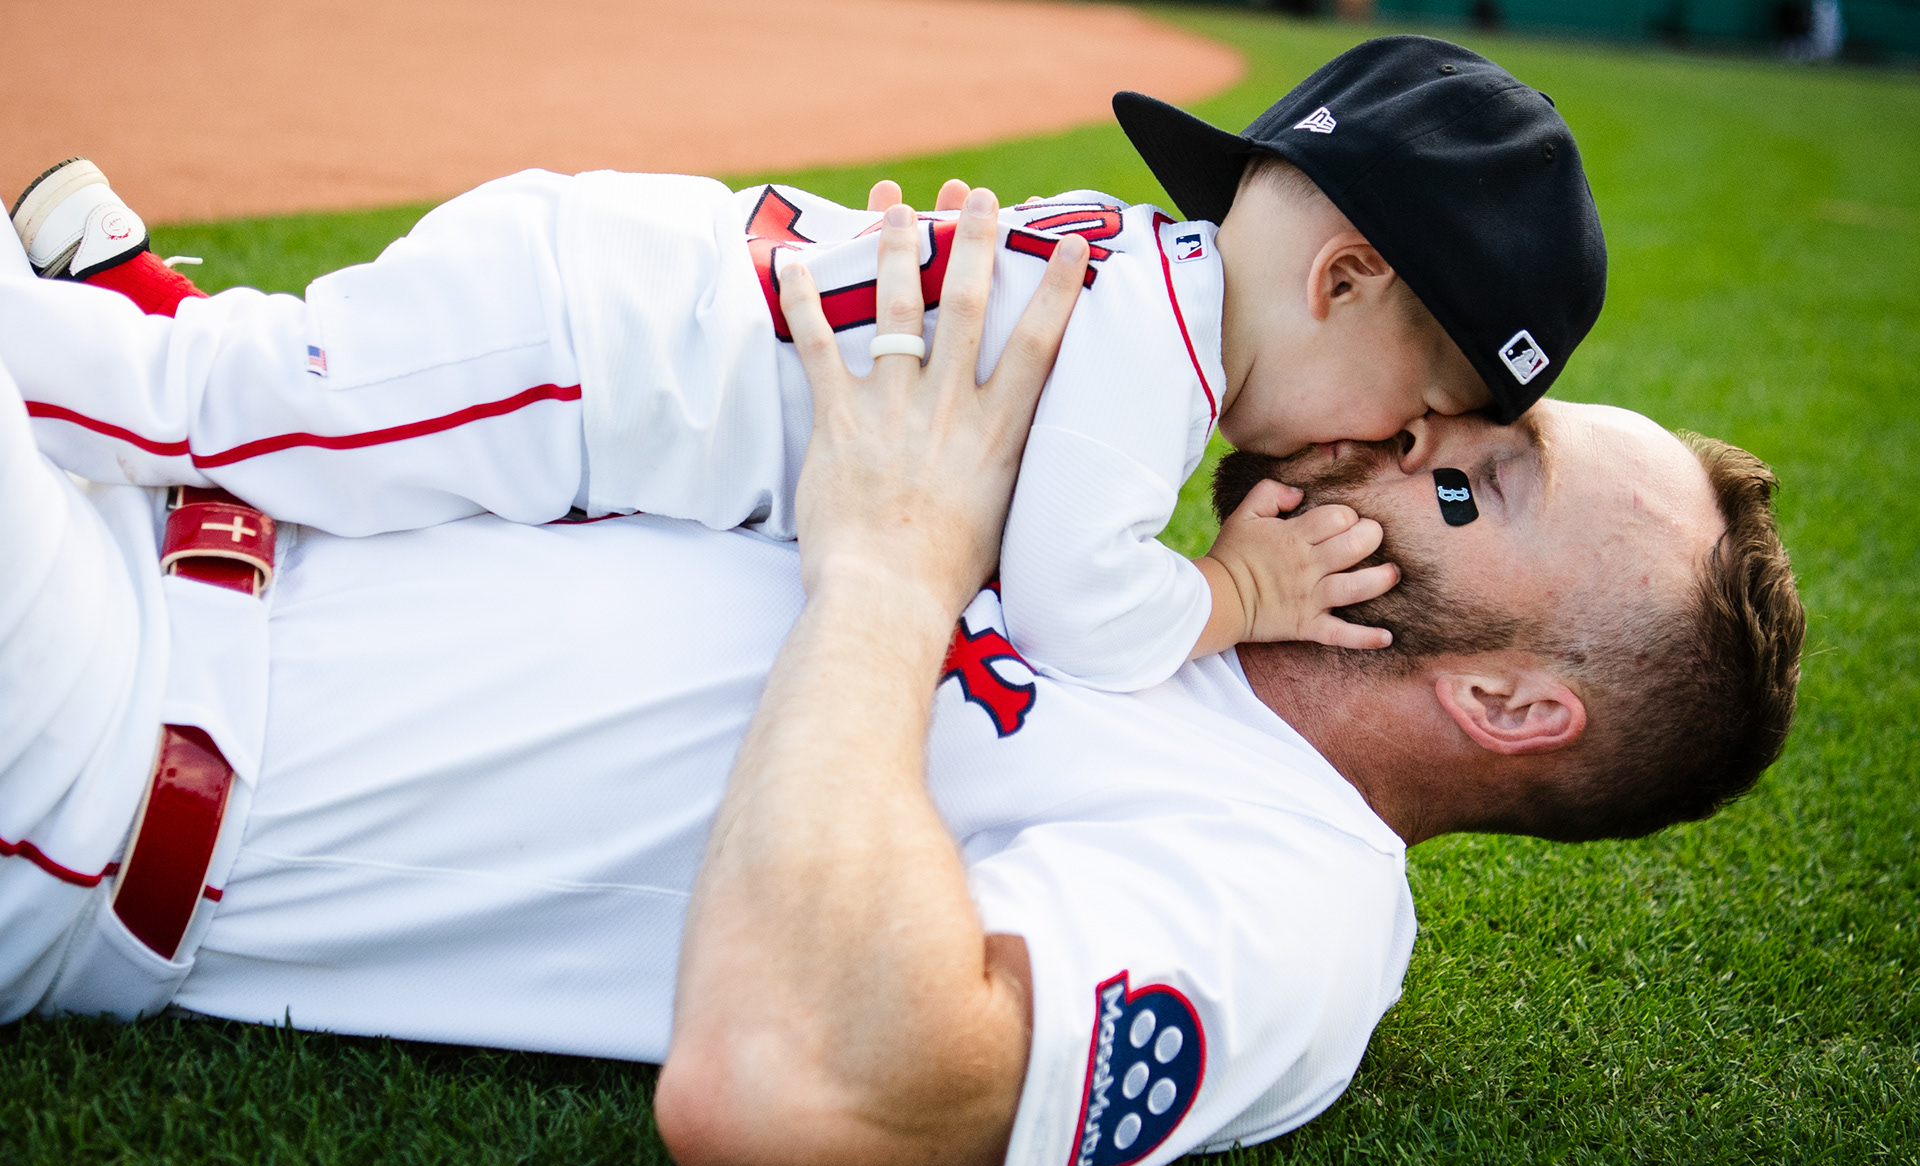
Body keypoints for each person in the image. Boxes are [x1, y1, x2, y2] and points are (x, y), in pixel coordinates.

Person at [0, 188, 1802, 1166]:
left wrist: (892, 569)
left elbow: (797, 1091)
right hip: (146, 501)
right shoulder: (1133, 574)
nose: (1387, 443)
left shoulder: (1298, 899)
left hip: (104, 736)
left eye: (1465, 487)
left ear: (1505, 701)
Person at [1, 35, 1607, 693]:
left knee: (288, 401)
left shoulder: (1142, 263)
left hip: (612, 307)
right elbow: (1074, 612)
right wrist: (1238, 598)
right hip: (593, 361)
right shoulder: (1151, 362)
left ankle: (114, 286)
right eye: (1416, 410)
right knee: (242, 421)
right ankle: (57, 345)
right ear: (1342, 280)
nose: (1380, 451)